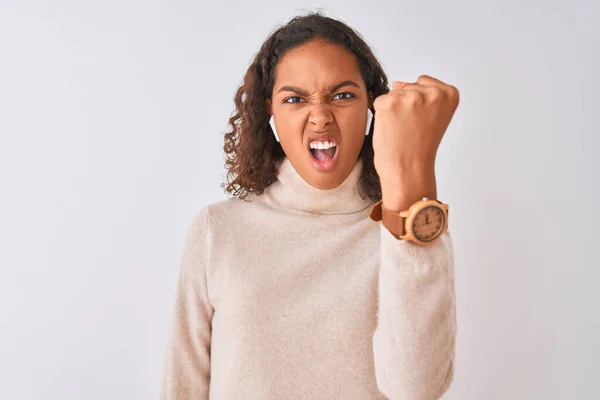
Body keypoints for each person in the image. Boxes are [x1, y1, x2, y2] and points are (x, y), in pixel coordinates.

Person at [160, 11, 459, 400]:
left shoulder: (405, 229)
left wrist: (411, 184)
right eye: (296, 99)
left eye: (342, 95)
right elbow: (181, 386)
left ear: (371, 104)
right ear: (270, 110)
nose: (320, 117)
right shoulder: (217, 230)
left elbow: (417, 389)